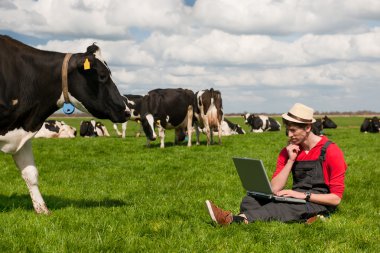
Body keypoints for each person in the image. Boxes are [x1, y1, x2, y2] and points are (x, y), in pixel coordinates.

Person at [206, 103, 347, 225]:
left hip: (319, 202)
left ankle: (234, 220)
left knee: (280, 207)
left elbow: (335, 199)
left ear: (308, 127)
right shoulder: (288, 151)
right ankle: (301, 217)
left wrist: (303, 196)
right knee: (250, 201)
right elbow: (274, 188)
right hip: (296, 198)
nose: (289, 135)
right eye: (288, 130)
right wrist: (291, 160)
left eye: (293, 130)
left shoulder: (331, 151)